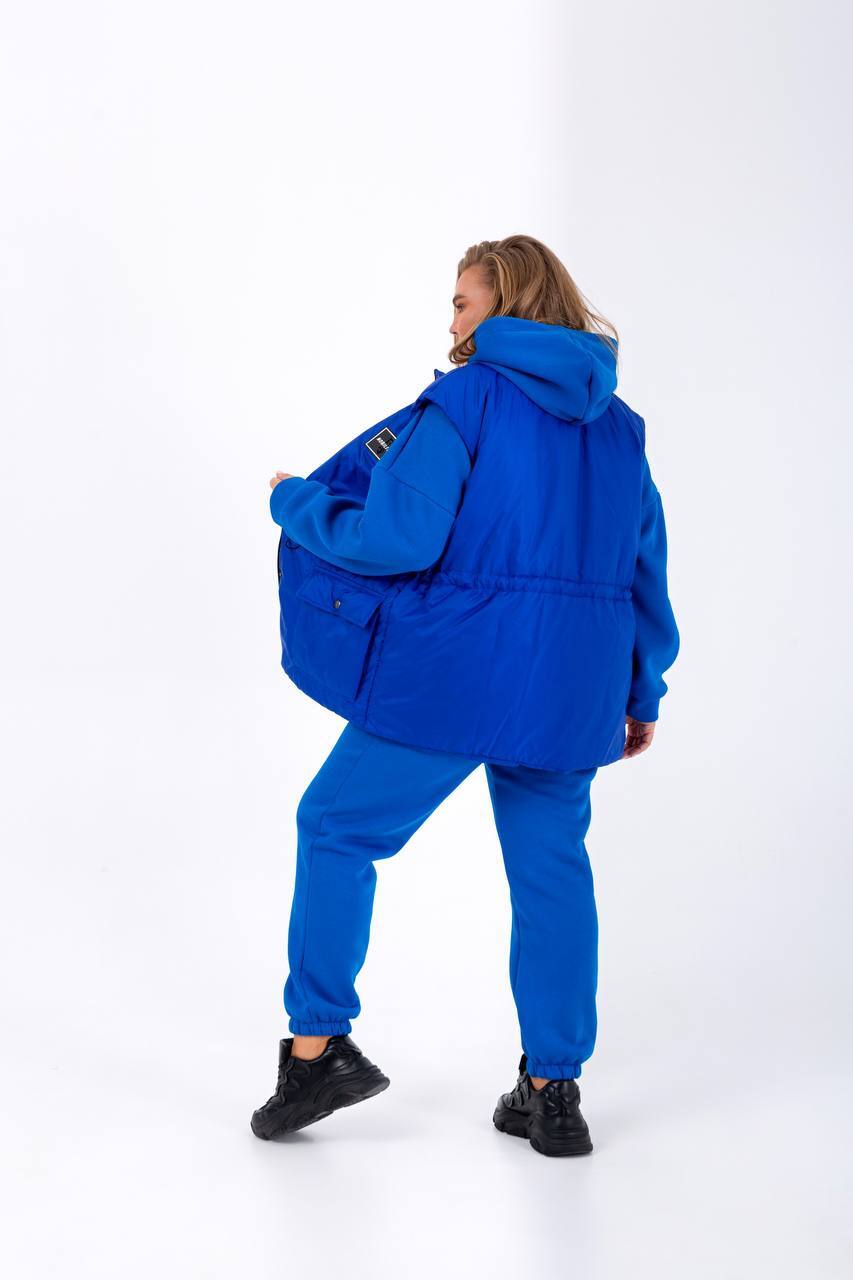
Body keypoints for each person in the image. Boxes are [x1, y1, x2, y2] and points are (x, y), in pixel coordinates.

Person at [251, 234, 680, 1157]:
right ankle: (552, 1091)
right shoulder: (621, 427)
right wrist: (640, 690)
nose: (451, 321)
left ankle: (316, 1051)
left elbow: (397, 538)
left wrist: (294, 501)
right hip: (571, 685)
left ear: (504, 303)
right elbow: (643, 569)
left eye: (461, 302)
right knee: (550, 872)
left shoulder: (465, 399)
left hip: (454, 672)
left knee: (335, 827)